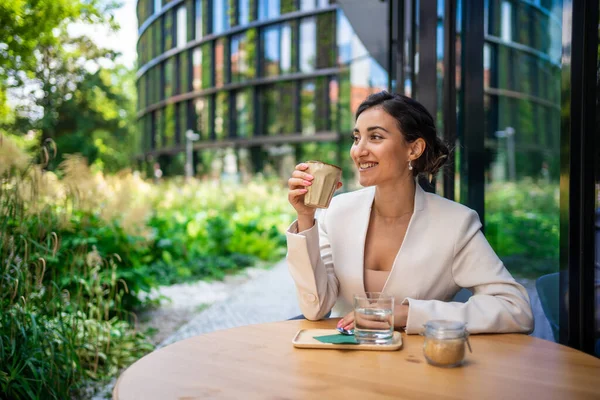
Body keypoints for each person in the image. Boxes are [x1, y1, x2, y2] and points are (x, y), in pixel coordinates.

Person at [285, 91, 534, 334]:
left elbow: (516, 309)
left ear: (413, 150)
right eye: (356, 137)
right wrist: (306, 218)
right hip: (344, 366)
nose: (358, 150)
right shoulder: (337, 212)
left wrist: (408, 315)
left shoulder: (455, 224)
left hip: (418, 368)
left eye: (376, 137)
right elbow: (315, 308)